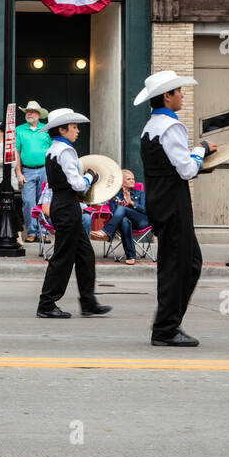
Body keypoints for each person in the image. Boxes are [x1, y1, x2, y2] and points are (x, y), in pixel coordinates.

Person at [136, 71, 214, 347]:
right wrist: (201, 149)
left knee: (186, 262)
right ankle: (166, 328)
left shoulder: (150, 126)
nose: (182, 95)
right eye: (179, 91)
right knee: (179, 265)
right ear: (167, 96)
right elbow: (187, 169)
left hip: (159, 199)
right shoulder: (171, 127)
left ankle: (168, 321)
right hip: (173, 201)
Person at [35, 107, 111, 320]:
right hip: (67, 206)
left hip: (63, 205)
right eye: (74, 127)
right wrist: (90, 177)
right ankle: (47, 304)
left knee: (85, 255)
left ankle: (88, 302)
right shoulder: (66, 151)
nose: (77, 131)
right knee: (62, 257)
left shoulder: (52, 150)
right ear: (62, 129)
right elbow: (77, 183)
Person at [14, 101, 51, 243]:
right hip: (27, 170)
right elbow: (17, 152)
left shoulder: (46, 129)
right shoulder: (20, 130)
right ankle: (31, 231)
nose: (29, 114)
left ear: (38, 115)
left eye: (32, 111)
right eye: (27, 111)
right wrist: (18, 173)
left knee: (45, 201)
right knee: (28, 202)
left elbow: (52, 151)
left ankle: (45, 231)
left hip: (45, 170)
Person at [104, 170, 150, 264]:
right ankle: (131, 256)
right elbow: (113, 214)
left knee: (123, 210)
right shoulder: (115, 196)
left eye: (133, 179)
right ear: (121, 181)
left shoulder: (140, 194)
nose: (132, 181)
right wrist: (119, 207)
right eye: (129, 179)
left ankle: (107, 232)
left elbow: (146, 210)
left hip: (141, 221)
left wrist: (132, 203)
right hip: (124, 224)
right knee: (124, 220)